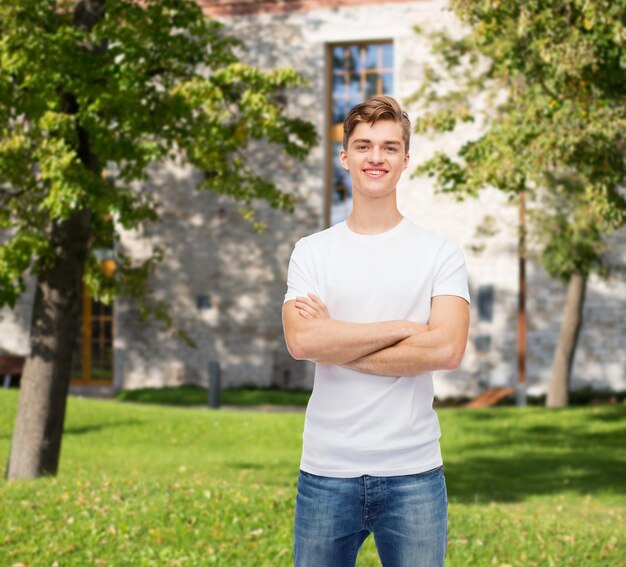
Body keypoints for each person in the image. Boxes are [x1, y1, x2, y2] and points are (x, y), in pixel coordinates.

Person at [282, 95, 470, 567]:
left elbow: (447, 348)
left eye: (389, 147)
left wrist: (335, 340)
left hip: (414, 473)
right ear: (344, 157)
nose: (376, 158)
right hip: (327, 470)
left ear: (406, 159)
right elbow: (302, 340)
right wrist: (404, 330)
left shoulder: (439, 253)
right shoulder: (312, 251)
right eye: (363, 146)